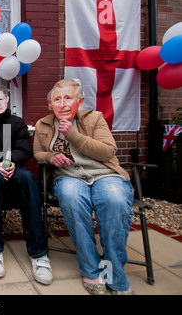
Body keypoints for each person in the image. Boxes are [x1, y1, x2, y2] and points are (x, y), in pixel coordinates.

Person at [33, 78, 135, 295]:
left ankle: (114, 274)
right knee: (70, 196)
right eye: (57, 99)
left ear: (80, 101)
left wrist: (73, 135)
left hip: (104, 174)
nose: (62, 104)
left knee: (114, 199)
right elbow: (37, 154)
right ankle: (90, 269)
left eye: (68, 98)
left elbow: (108, 151)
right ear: (50, 104)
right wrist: (51, 157)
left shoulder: (95, 118)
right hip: (68, 176)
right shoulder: (43, 124)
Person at [0, 84, 52, 284]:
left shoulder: (17, 122)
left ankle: (39, 253)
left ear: (7, 101)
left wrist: (10, 162)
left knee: (29, 178)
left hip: (10, 166)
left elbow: (24, 149)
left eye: (1, 99)